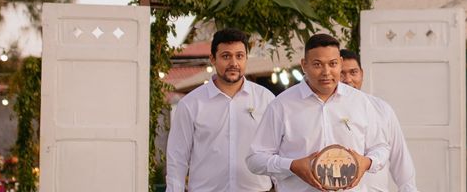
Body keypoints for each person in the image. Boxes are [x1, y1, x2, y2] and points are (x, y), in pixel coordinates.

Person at [246, 33, 389, 191]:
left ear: (340, 63)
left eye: (333, 64)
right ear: (304, 65)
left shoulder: (361, 102)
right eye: (317, 64)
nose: (326, 72)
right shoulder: (281, 105)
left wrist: (366, 162)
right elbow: (255, 159)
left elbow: (381, 147)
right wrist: (292, 165)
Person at [166, 28, 275, 192]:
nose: (234, 63)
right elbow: (177, 157)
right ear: (213, 59)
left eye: (239, 56)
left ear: (246, 58)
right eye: (226, 56)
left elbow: (277, 150)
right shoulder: (191, 104)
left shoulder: (266, 99)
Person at [340, 49, 419, 192]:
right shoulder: (326, 112)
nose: (348, 80)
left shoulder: (382, 109)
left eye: (353, 72)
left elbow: (400, 157)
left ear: (362, 74)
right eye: (341, 73)